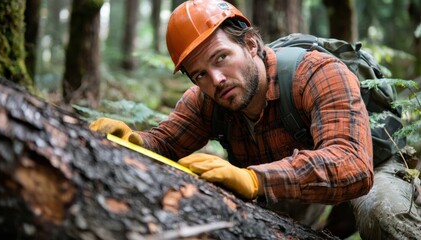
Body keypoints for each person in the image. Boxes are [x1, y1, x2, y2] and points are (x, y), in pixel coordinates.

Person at [90, 0, 421, 239]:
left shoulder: (317, 72)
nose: (216, 80)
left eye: (221, 58)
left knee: (384, 213)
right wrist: (131, 140)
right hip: (288, 182)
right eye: (200, 74)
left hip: (370, 166)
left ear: (250, 44)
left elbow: (352, 165)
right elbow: (163, 144)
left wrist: (254, 180)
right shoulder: (206, 100)